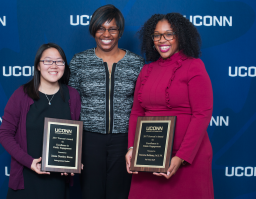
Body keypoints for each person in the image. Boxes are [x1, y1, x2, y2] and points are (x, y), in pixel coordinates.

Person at [125, 13, 214, 199]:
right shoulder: (146, 70)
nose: (162, 40)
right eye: (157, 35)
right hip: (149, 157)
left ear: (180, 36)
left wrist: (181, 157)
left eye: (169, 34)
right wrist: (132, 149)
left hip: (187, 157)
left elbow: (202, 114)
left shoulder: (194, 66)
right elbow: (136, 112)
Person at [69, 4, 144, 199]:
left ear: (120, 32)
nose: (106, 34)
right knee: (91, 193)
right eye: (101, 28)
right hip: (89, 140)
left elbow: (142, 105)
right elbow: (71, 104)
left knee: (120, 194)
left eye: (112, 29)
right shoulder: (79, 61)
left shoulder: (136, 63)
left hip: (124, 141)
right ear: (93, 30)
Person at [0, 43, 81, 199]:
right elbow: (4, 134)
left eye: (59, 61)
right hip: (26, 178)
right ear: (38, 65)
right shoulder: (21, 95)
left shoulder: (73, 95)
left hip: (58, 182)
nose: (54, 65)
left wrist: (76, 161)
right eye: (48, 61)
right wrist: (29, 162)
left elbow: (77, 135)